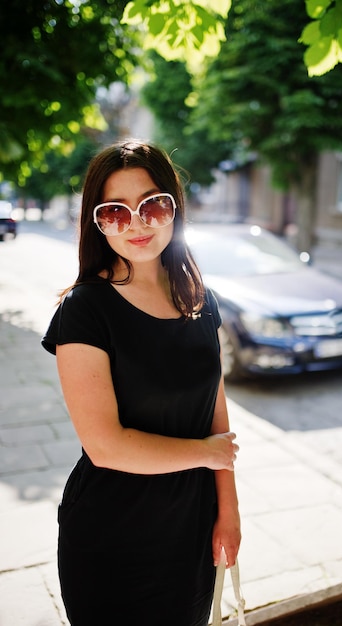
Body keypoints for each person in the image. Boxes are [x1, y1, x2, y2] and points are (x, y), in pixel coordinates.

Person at [41, 139, 241, 626]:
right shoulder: (84, 312)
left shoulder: (199, 298)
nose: (136, 223)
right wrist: (209, 453)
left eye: (153, 204)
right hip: (113, 535)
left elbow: (215, 405)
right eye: (115, 211)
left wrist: (228, 509)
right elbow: (106, 447)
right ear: (96, 221)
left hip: (191, 526)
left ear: (174, 209)